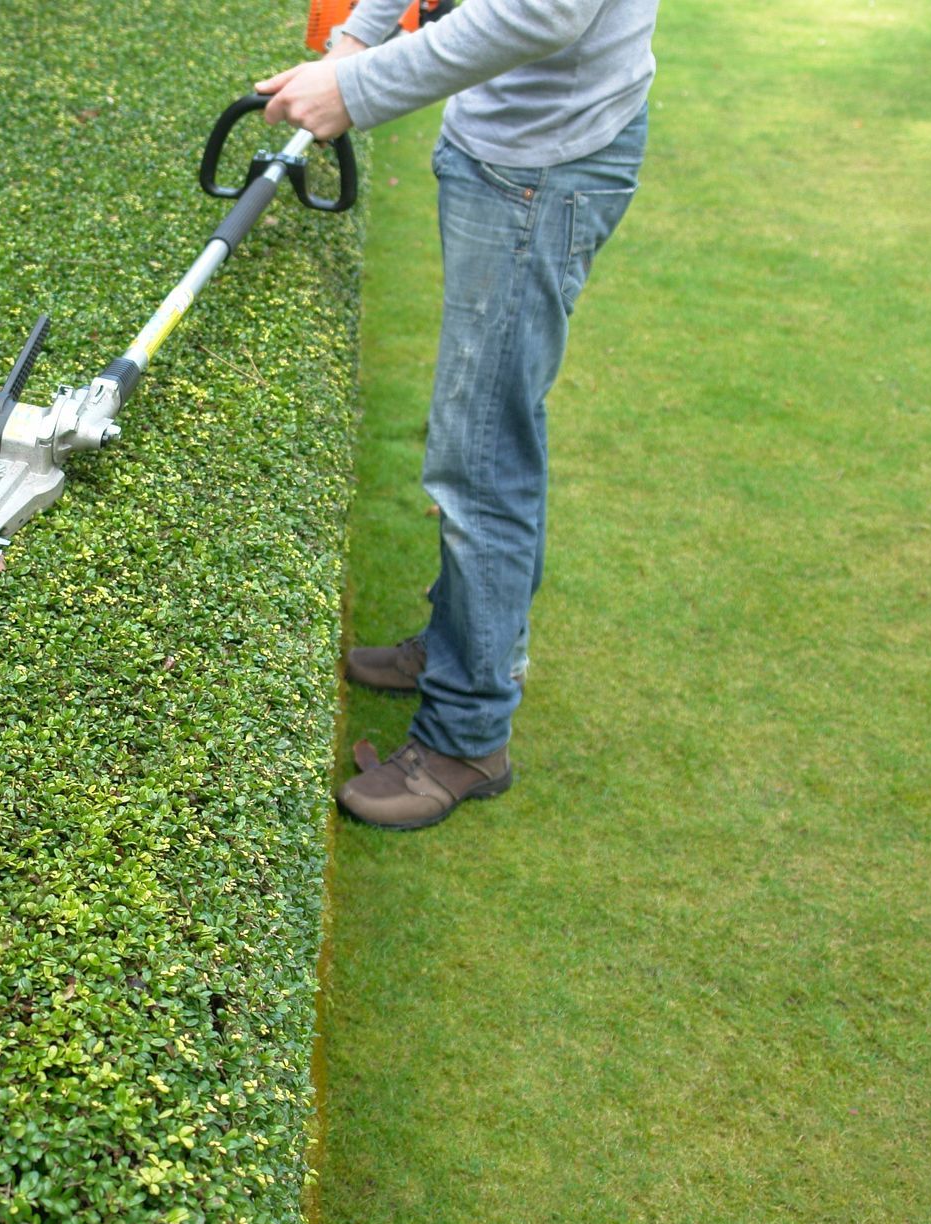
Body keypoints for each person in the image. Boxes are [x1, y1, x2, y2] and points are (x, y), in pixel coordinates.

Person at [254, 0, 660, 829]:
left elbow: (541, 12)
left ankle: (468, 736)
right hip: (502, 145)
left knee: (482, 454)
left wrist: (357, 88)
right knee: (486, 434)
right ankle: (457, 648)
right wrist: (357, 39)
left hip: (544, 167)